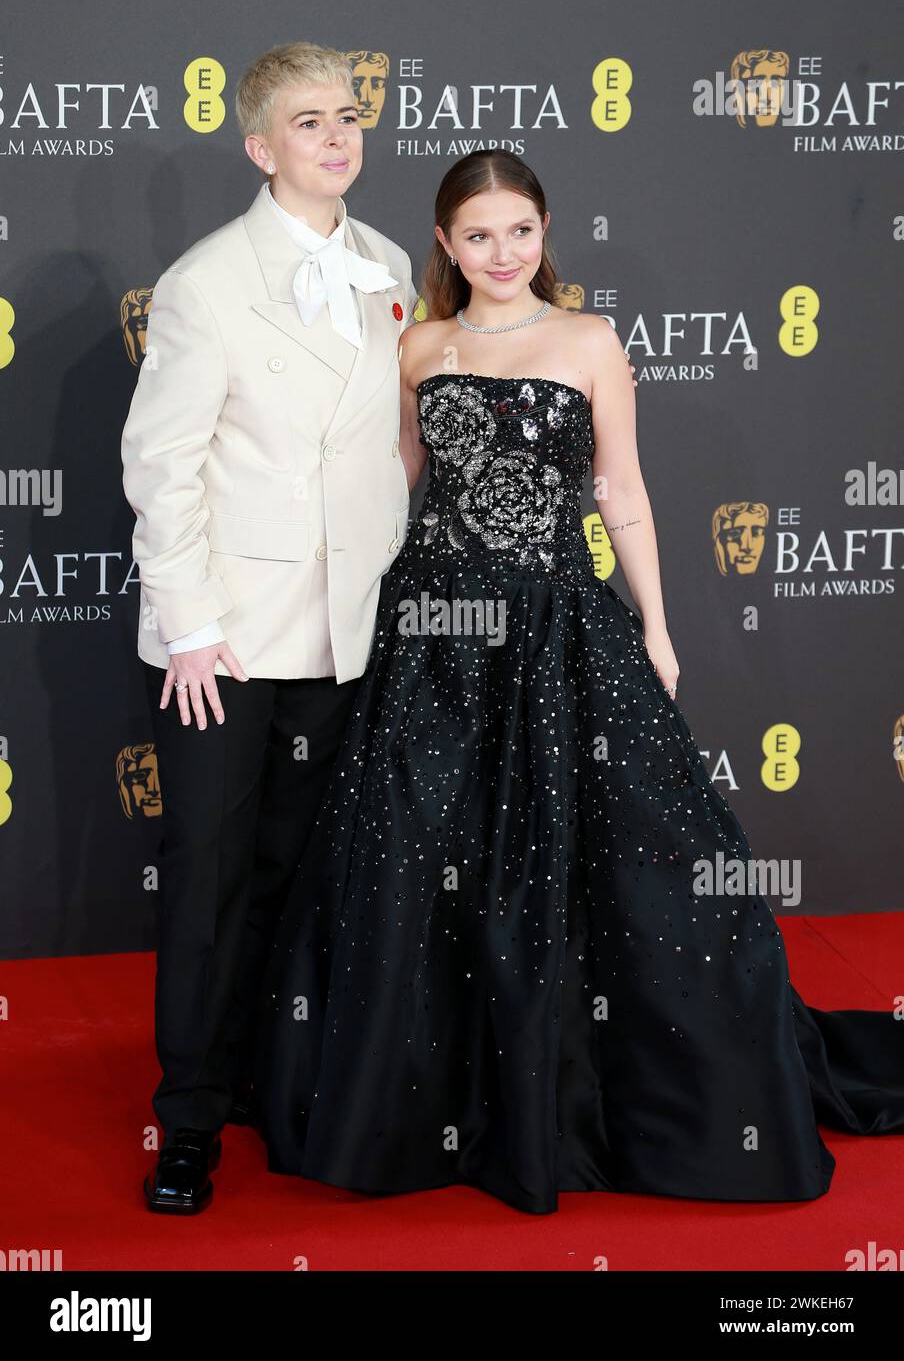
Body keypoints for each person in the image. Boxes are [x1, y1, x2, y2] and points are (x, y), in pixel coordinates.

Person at [253, 149, 904, 1216]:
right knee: (415, 858)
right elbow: (389, 489)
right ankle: (420, 1101)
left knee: (640, 860)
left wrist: (655, 624)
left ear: (545, 230)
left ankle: (606, 1096)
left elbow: (622, 490)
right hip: (436, 634)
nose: (501, 253)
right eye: (477, 235)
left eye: (519, 231)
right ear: (446, 243)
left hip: (563, 627)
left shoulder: (590, 339)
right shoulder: (414, 346)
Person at [120, 41, 416, 1214]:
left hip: (347, 625)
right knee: (208, 877)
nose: (336, 137)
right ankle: (186, 1117)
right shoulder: (204, 282)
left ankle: (262, 1078)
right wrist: (189, 628)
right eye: (307, 123)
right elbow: (160, 462)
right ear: (259, 147)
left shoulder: (391, 263)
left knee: (298, 871)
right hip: (229, 641)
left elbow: (390, 445)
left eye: (346, 116)